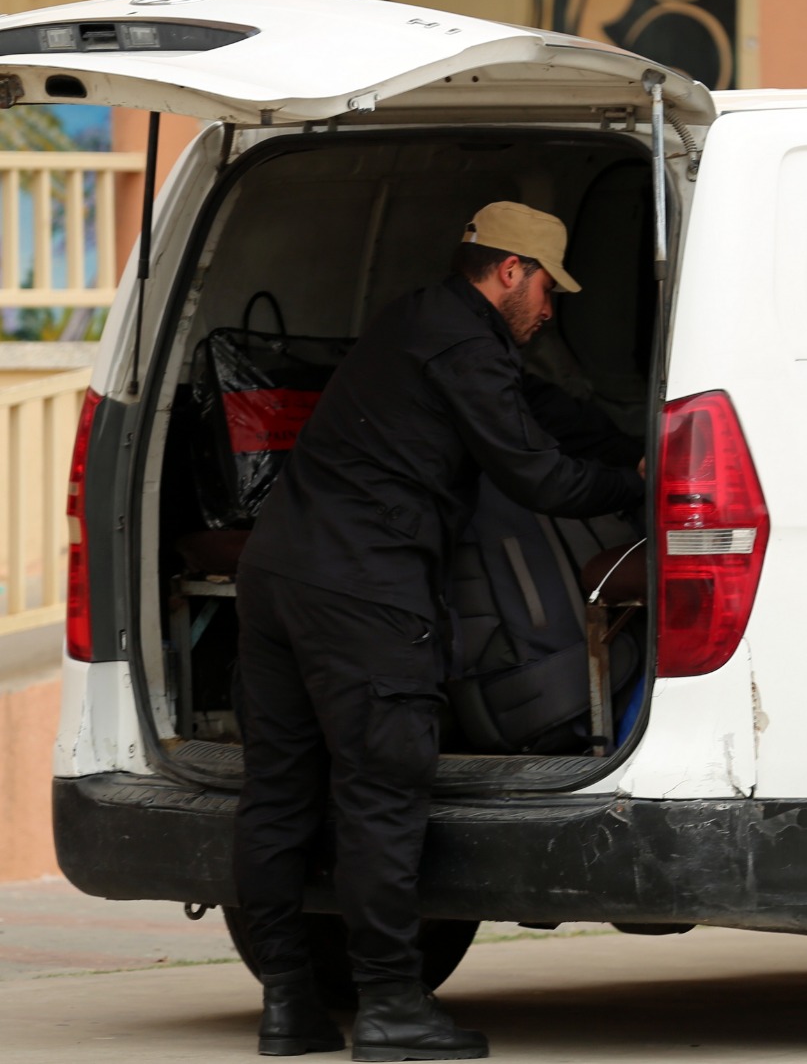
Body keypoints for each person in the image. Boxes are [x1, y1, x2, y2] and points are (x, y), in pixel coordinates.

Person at [231, 202, 644, 1059]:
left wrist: (625, 444)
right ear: (507, 271)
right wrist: (637, 487)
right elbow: (533, 472)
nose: (549, 308)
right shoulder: (467, 344)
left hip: (277, 575)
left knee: (279, 790)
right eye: (544, 288)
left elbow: (539, 410)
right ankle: (389, 1005)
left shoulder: (418, 323)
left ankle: (288, 1005)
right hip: (364, 588)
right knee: (381, 789)